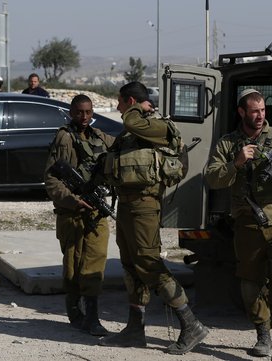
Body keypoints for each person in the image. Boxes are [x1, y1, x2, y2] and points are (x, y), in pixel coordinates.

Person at [98, 81, 208, 355]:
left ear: (132, 102)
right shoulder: (130, 133)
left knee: (148, 263)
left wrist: (137, 109)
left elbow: (135, 122)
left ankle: (191, 323)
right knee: (131, 265)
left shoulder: (157, 127)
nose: (117, 108)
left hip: (145, 206)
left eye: (121, 103)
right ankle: (135, 329)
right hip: (126, 205)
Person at [204, 89, 272, 361]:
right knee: (250, 283)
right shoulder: (228, 143)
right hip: (248, 223)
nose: (260, 116)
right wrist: (236, 163)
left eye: (262, 111)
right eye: (254, 111)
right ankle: (263, 334)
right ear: (242, 112)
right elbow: (213, 179)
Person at [43, 94, 114, 336]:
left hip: (95, 212)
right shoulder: (64, 138)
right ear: (71, 113)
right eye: (79, 112)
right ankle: (75, 313)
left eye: (88, 112)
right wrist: (73, 200)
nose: (84, 117)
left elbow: (121, 146)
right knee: (73, 267)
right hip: (71, 214)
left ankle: (92, 318)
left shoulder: (99, 136)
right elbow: (51, 178)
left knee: (95, 263)